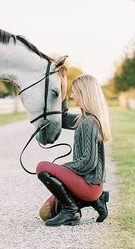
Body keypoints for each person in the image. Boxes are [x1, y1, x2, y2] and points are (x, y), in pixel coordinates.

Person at [36, 71, 111, 227]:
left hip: (89, 185)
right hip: (90, 186)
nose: (72, 95)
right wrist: (62, 89)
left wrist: (61, 171)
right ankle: (98, 200)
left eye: (74, 92)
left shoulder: (89, 123)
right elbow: (61, 117)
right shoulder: (82, 119)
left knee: (42, 167)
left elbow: (88, 163)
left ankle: (71, 211)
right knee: (45, 213)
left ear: (84, 94)